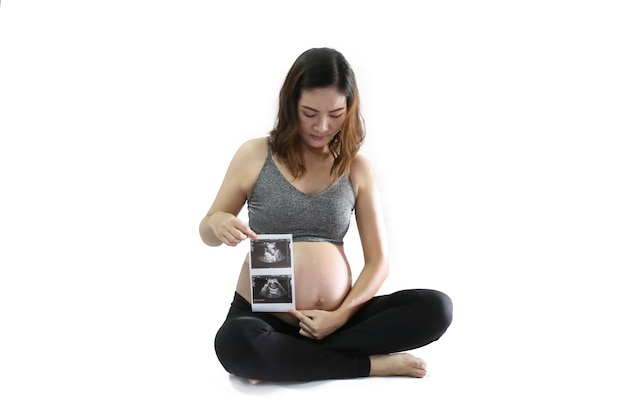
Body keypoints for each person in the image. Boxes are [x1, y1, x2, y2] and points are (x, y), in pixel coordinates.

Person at [199, 47, 453, 383]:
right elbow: (207, 229)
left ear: (350, 109)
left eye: (335, 114)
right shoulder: (254, 155)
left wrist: (340, 315)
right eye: (309, 113)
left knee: (436, 308)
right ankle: (368, 365)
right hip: (264, 316)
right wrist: (217, 223)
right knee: (235, 343)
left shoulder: (356, 169)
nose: (322, 126)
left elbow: (379, 262)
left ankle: (284, 359)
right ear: (291, 105)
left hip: (338, 322)